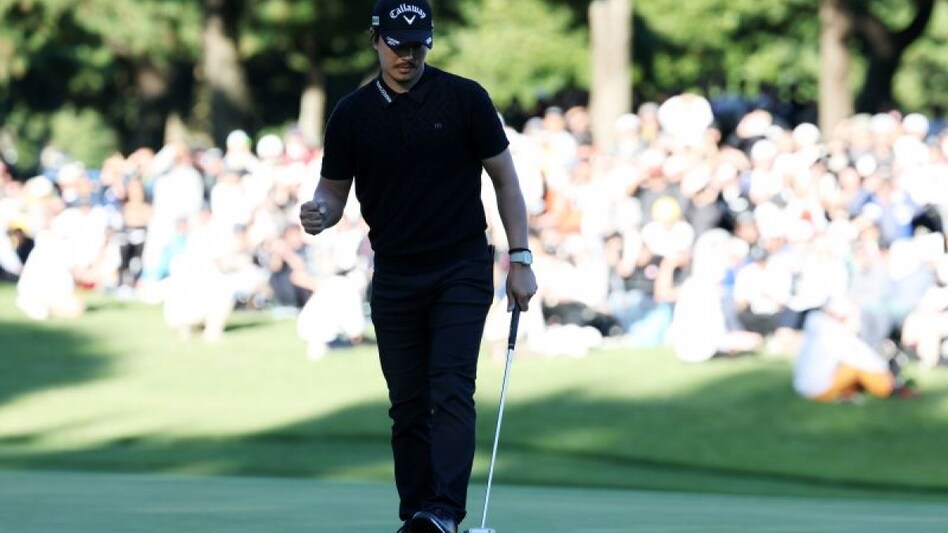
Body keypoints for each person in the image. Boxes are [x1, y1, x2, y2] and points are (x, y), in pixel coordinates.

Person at [298, 2, 538, 532]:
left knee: (450, 386)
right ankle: (418, 515)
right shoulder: (352, 114)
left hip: (461, 265)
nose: (407, 55)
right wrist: (320, 213)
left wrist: (519, 257)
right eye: (396, 43)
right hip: (395, 272)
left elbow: (506, 181)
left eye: (417, 44)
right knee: (406, 402)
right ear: (375, 39)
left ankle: (445, 512)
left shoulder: (465, 99)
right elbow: (333, 193)